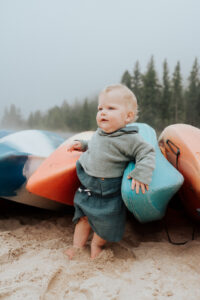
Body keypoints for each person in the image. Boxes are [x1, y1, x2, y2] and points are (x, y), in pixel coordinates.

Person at [66, 84, 155, 259]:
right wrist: (83, 146)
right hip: (88, 186)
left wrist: (141, 173)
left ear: (128, 116)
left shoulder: (130, 138)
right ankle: (77, 247)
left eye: (110, 108)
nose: (103, 112)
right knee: (83, 218)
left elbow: (147, 153)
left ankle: (96, 246)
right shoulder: (101, 132)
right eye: (100, 108)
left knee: (106, 224)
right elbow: (96, 146)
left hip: (109, 192)